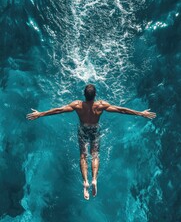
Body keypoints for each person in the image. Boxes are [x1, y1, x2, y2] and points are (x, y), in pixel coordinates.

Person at [26, 84, 156, 200]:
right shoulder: (100, 105)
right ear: (95, 95)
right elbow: (122, 110)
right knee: (95, 155)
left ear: (84, 95)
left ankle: (85, 182)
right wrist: (140, 113)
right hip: (94, 130)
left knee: (83, 155)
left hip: (83, 130)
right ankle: (94, 179)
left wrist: (40, 114)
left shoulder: (77, 105)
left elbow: (58, 110)